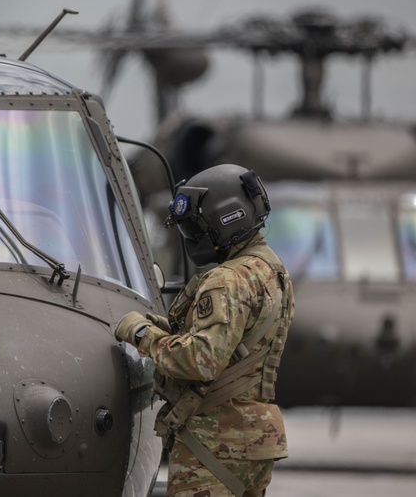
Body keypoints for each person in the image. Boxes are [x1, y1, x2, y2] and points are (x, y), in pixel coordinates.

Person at [115, 164, 295, 497]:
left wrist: (141, 334)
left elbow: (200, 360)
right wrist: (171, 330)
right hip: (256, 439)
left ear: (225, 220)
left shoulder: (226, 280)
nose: (192, 239)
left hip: (214, 440)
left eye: (196, 228)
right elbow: (237, 345)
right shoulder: (272, 271)